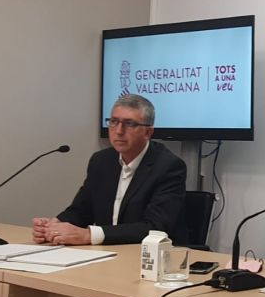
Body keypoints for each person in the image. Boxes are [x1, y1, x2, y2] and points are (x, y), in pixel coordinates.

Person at [32, 95, 187, 246]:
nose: (119, 131)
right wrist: (54, 226)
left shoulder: (169, 167)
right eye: (114, 122)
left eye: (129, 124)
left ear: (148, 132)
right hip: (106, 253)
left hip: (148, 255)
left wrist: (89, 235)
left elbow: (154, 228)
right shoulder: (101, 161)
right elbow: (81, 210)